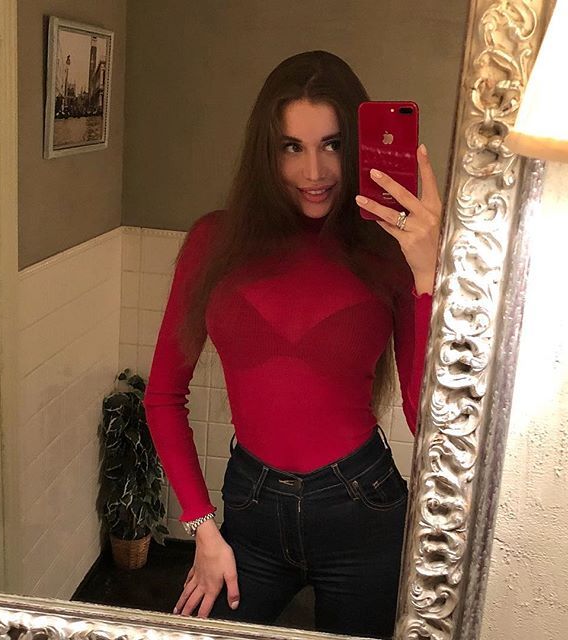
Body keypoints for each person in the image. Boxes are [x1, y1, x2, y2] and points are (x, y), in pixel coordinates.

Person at [143, 50, 441, 639]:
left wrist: (429, 275)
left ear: (357, 147)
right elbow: (163, 396)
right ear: (266, 150)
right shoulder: (213, 242)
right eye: (291, 147)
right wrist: (202, 528)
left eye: (332, 144)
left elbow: (427, 419)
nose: (314, 171)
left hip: (363, 509)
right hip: (250, 511)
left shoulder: (389, 251)